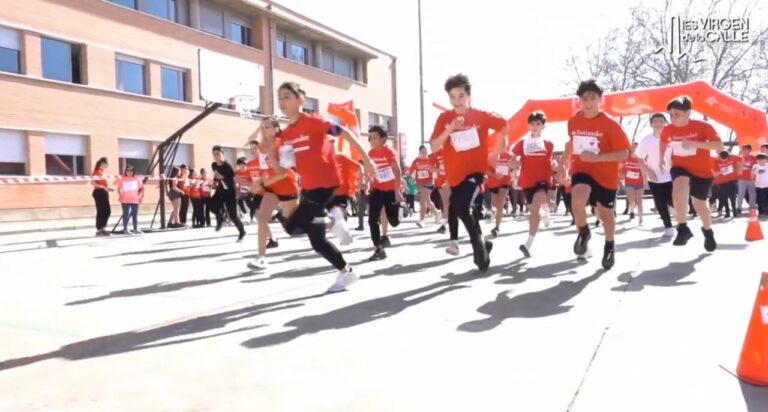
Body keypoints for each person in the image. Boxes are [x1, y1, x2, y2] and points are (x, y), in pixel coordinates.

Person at [273, 81, 376, 292]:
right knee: (317, 241)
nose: (282, 101)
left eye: (287, 96)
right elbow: (281, 168)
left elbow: (344, 131)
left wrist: (366, 159)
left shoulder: (313, 121)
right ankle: (347, 272)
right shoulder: (286, 133)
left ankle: (332, 218)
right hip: (309, 188)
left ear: (301, 100)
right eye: (280, 97)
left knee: (292, 226)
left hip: (326, 183)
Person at [430, 73, 507, 271]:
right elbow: (434, 146)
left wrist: (496, 153)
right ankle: (483, 245)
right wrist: (449, 130)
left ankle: (477, 245)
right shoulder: (444, 118)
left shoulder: (480, 116)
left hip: (475, 172)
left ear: (469, 95)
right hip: (454, 176)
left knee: (461, 207)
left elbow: (503, 125)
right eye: (453, 96)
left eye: (461, 95)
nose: (457, 100)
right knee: (462, 208)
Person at [563, 80, 630, 269]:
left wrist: (597, 158)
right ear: (580, 101)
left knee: (605, 212)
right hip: (582, 169)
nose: (588, 102)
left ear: (601, 99)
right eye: (584, 98)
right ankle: (584, 232)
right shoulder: (573, 121)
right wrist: (563, 165)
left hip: (606, 174)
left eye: (593, 98)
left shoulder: (610, 124)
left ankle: (609, 245)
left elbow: (624, 154)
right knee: (577, 200)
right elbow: (571, 144)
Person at [660, 95, 723, 251]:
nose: (673, 118)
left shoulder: (703, 126)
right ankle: (682, 228)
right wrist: (661, 158)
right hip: (679, 166)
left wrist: (695, 144)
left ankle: (708, 231)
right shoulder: (668, 130)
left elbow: (719, 145)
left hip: (702, 170)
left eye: (677, 114)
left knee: (699, 204)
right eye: (671, 115)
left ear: (688, 113)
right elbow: (663, 142)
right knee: (679, 185)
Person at [248, 117, 300, 269]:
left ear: (276, 128)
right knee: (262, 218)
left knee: (297, 226)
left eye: (267, 127)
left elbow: (283, 174)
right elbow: (266, 170)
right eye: (262, 127)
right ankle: (261, 257)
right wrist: (258, 183)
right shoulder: (262, 146)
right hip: (272, 188)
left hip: (288, 187)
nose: (264, 130)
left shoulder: (283, 145)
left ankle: (329, 224)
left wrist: (262, 183)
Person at [511, 110, 555, 257]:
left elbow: (550, 162)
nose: (535, 126)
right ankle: (545, 210)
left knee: (536, 209)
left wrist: (557, 167)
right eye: (532, 124)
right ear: (529, 126)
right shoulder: (522, 144)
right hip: (527, 182)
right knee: (534, 214)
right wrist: (514, 166)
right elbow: (514, 159)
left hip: (542, 181)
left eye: (538, 124)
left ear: (543, 126)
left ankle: (527, 244)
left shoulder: (548, 145)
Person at [367, 125, 403, 261]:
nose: (371, 140)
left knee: (394, 221)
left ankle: (399, 213)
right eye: (371, 138)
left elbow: (397, 172)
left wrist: (397, 191)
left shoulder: (390, 152)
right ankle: (378, 249)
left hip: (390, 191)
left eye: (375, 138)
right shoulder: (371, 154)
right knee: (372, 220)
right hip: (376, 190)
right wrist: (368, 182)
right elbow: (372, 170)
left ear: (383, 139)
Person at [635, 113, 674, 236]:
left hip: (671, 175)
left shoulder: (672, 138)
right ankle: (668, 227)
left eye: (661, 121)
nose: (658, 123)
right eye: (655, 121)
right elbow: (639, 158)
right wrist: (648, 171)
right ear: (651, 124)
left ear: (665, 123)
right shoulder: (646, 140)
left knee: (674, 202)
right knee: (660, 202)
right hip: (655, 177)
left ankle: (678, 217)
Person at [211, 145, 246, 242]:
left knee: (233, 216)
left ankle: (242, 231)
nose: (217, 156)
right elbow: (215, 176)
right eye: (215, 154)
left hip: (231, 193)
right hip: (221, 191)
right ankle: (221, 218)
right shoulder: (213, 165)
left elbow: (232, 181)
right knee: (212, 204)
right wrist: (214, 183)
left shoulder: (228, 167)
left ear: (223, 154)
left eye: (218, 154)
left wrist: (221, 177)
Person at [328, 153, 359, 246]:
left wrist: (359, 181)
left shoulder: (343, 158)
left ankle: (344, 234)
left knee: (341, 213)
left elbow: (358, 167)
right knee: (332, 217)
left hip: (343, 192)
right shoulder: (323, 159)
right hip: (330, 194)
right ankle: (343, 232)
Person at [486, 144, 512, 238]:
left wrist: (513, 167)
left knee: (500, 204)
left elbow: (515, 165)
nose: (501, 146)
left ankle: (497, 227)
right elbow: (486, 169)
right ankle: (493, 212)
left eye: (504, 144)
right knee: (495, 204)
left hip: (505, 182)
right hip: (493, 182)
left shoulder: (509, 155)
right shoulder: (490, 156)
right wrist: (494, 175)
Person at [409, 145, 440, 226]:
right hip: (420, 184)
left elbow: (435, 168)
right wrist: (411, 177)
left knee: (423, 201)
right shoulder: (416, 161)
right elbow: (411, 171)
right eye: (423, 152)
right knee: (428, 202)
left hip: (429, 183)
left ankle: (421, 220)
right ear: (419, 152)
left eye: (426, 152)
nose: (425, 153)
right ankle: (437, 213)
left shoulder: (429, 160)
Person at [711, 150, 741, 218]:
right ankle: (727, 212)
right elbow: (715, 174)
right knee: (724, 197)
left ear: (729, 156)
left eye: (726, 159)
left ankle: (734, 210)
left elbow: (741, 160)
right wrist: (721, 172)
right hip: (722, 182)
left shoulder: (733, 157)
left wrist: (739, 170)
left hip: (732, 180)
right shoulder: (715, 160)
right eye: (722, 159)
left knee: (733, 196)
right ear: (719, 157)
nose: (724, 161)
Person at [622, 143, 646, 224]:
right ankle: (631, 211)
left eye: (636, 148)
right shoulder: (626, 158)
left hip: (639, 182)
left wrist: (645, 178)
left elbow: (645, 169)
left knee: (640, 202)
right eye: (632, 147)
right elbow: (622, 168)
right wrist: (621, 176)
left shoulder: (641, 159)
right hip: (629, 183)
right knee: (632, 201)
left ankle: (641, 218)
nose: (634, 149)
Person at [117, 164, 144, 234]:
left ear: (133, 172)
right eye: (128, 171)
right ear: (125, 171)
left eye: (131, 171)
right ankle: (125, 229)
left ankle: (135, 229)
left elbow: (142, 187)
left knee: (135, 214)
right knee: (125, 214)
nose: (129, 172)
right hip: (125, 200)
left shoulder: (137, 179)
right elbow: (118, 189)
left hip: (135, 199)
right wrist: (120, 196)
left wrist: (141, 196)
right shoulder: (122, 179)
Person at [429, 149, 450, 234]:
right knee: (446, 203)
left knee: (447, 204)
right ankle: (445, 224)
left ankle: (445, 225)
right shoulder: (435, 154)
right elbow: (431, 167)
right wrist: (438, 170)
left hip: (450, 180)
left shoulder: (450, 150)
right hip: (440, 181)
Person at [91, 157, 112, 236]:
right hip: (99, 193)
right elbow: (93, 183)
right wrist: (103, 187)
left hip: (104, 192)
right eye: (107, 164)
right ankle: (100, 229)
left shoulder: (102, 172)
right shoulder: (96, 172)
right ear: (102, 163)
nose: (108, 166)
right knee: (102, 211)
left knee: (107, 211)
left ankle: (102, 227)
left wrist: (107, 188)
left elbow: (102, 183)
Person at [736, 144, 757, 215]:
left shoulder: (754, 158)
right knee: (740, 194)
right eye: (743, 149)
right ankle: (739, 208)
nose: (743, 151)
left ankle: (752, 208)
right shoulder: (739, 158)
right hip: (742, 179)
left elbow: (755, 168)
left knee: (752, 194)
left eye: (745, 149)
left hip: (752, 179)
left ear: (750, 150)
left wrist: (746, 166)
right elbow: (737, 168)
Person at [354, 161, 368, 231]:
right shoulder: (367, 171)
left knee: (361, 209)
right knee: (362, 209)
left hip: (362, 191)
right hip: (366, 190)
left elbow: (361, 182)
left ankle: (361, 225)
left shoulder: (361, 172)